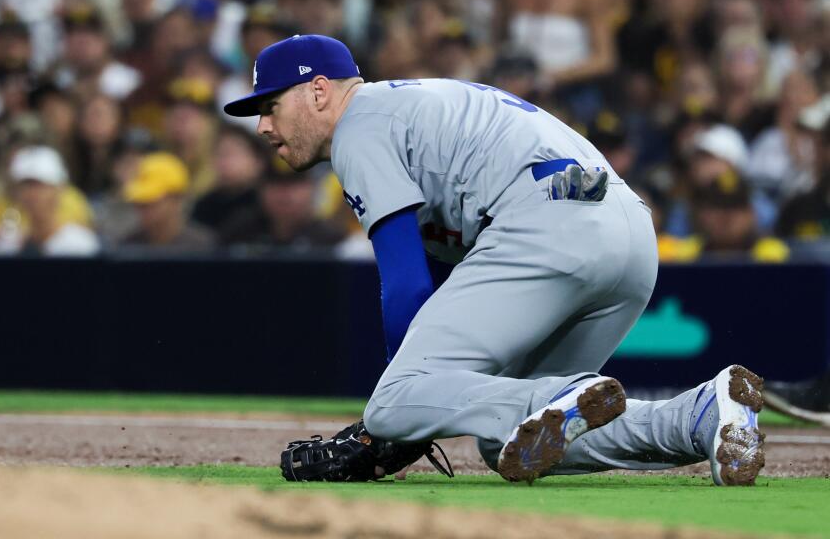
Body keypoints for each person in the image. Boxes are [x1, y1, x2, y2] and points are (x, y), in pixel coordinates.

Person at [225, 34, 764, 486]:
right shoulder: (412, 109)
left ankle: (558, 394)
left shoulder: (359, 124)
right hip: (626, 231)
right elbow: (442, 286)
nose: (263, 128)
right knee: (510, 437)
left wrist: (399, 411)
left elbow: (407, 283)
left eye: (270, 106)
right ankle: (699, 418)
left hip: (545, 223)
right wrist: (427, 396)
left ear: (319, 92)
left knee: (394, 401)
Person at [0, 145, 99, 257]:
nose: (31, 194)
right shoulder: (6, 246)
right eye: (25, 185)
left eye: (39, 186)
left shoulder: (80, 245)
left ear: (59, 189)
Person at [119, 151, 216, 254]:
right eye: (138, 202)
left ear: (177, 199)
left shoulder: (203, 247)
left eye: (151, 201)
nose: (142, 209)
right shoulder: (127, 247)